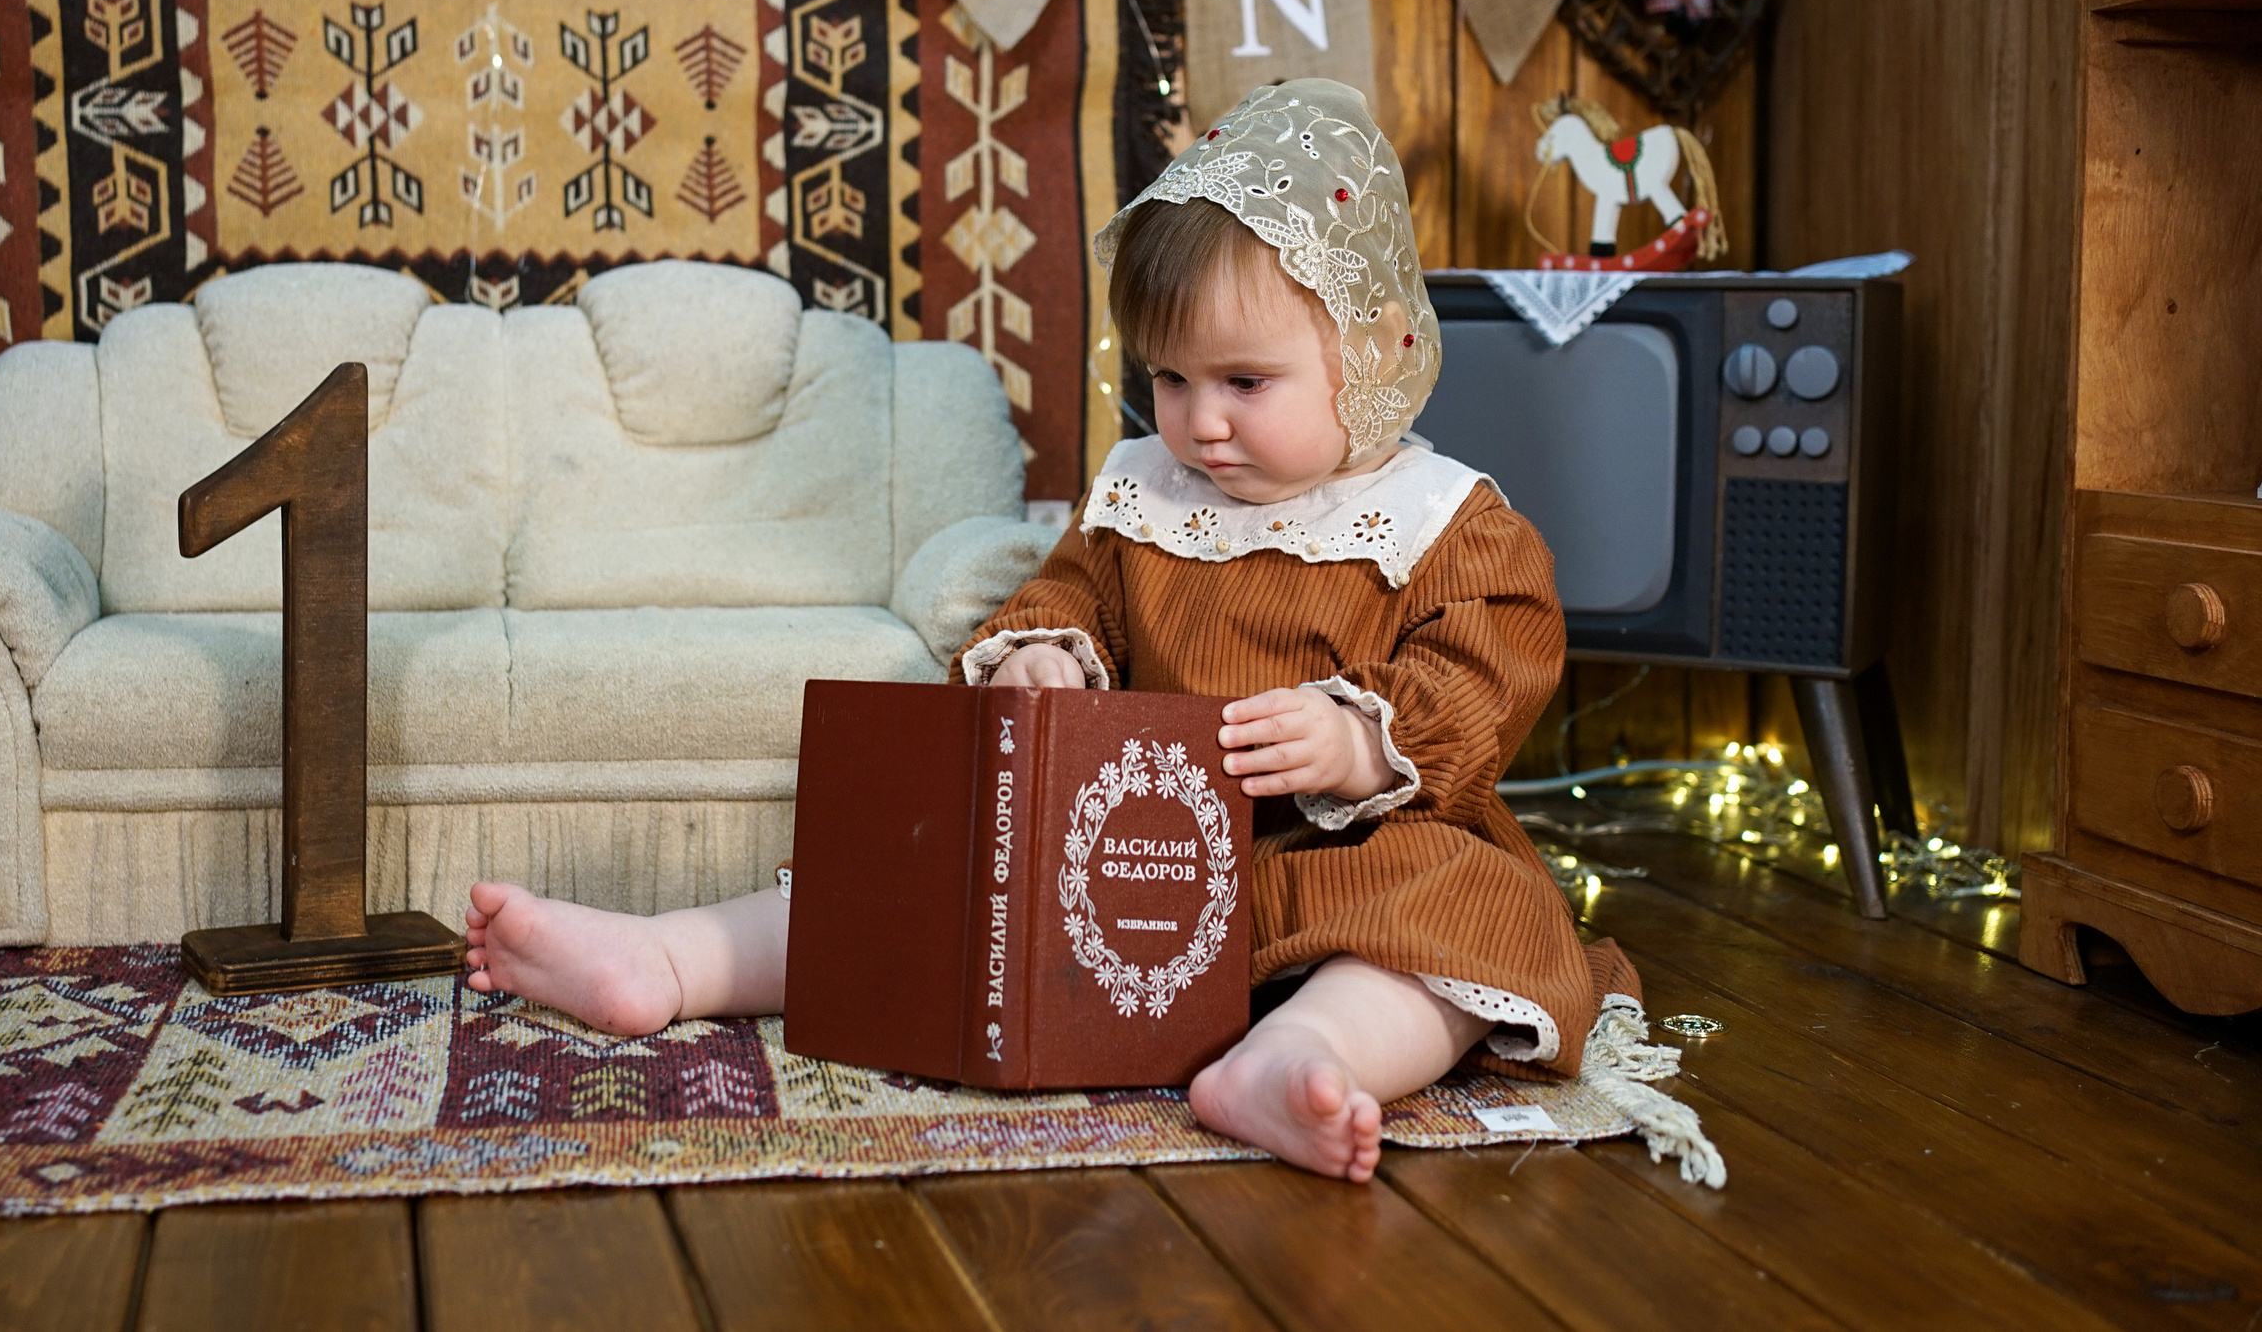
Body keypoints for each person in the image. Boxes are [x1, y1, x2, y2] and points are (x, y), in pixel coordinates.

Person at [464, 79, 1640, 1183]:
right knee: (938, 867)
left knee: (1459, 921)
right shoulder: (1143, 497)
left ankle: (1302, 1057)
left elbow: (1486, 669)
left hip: (1341, 855)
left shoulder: (1444, 522)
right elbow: (1073, 593)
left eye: (1243, 382)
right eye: (1170, 380)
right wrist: (1044, 649)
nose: (1200, 424)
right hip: (1124, 846)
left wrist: (1354, 742)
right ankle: (672, 959)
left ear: (1372, 349)